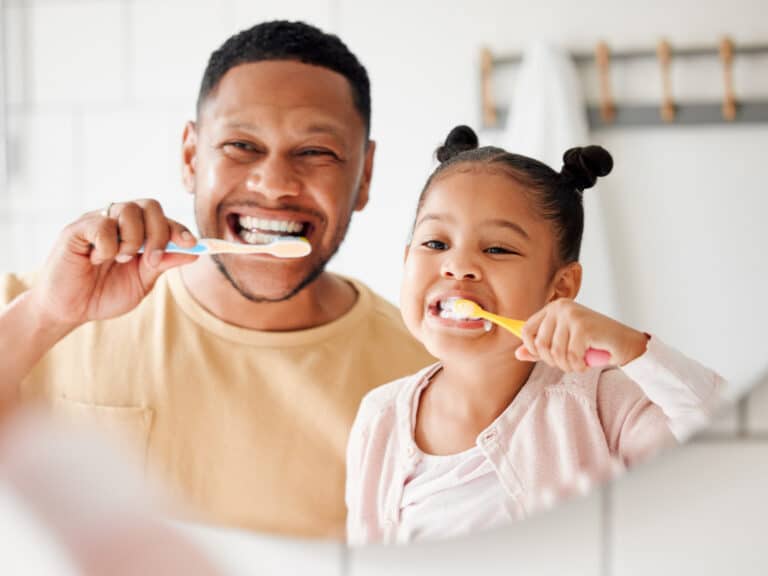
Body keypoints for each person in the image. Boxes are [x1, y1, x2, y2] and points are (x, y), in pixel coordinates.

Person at [0, 21, 433, 539]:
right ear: (190, 157)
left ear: (363, 177)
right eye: (241, 145)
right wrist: (46, 316)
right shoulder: (39, 313)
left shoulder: (426, 370)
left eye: (315, 152)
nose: (273, 185)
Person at [345, 125, 725, 545]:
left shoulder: (603, 405)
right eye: (435, 243)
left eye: (497, 249)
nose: (458, 265)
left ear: (560, 288)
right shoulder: (378, 418)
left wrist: (634, 349)